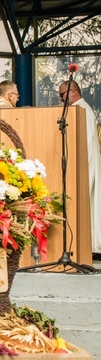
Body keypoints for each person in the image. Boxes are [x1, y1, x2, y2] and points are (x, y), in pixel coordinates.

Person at [58, 80, 101, 254]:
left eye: (62, 94)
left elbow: (87, 144)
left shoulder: (83, 111)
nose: (60, 99)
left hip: (85, 166)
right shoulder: (77, 110)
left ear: (73, 91)